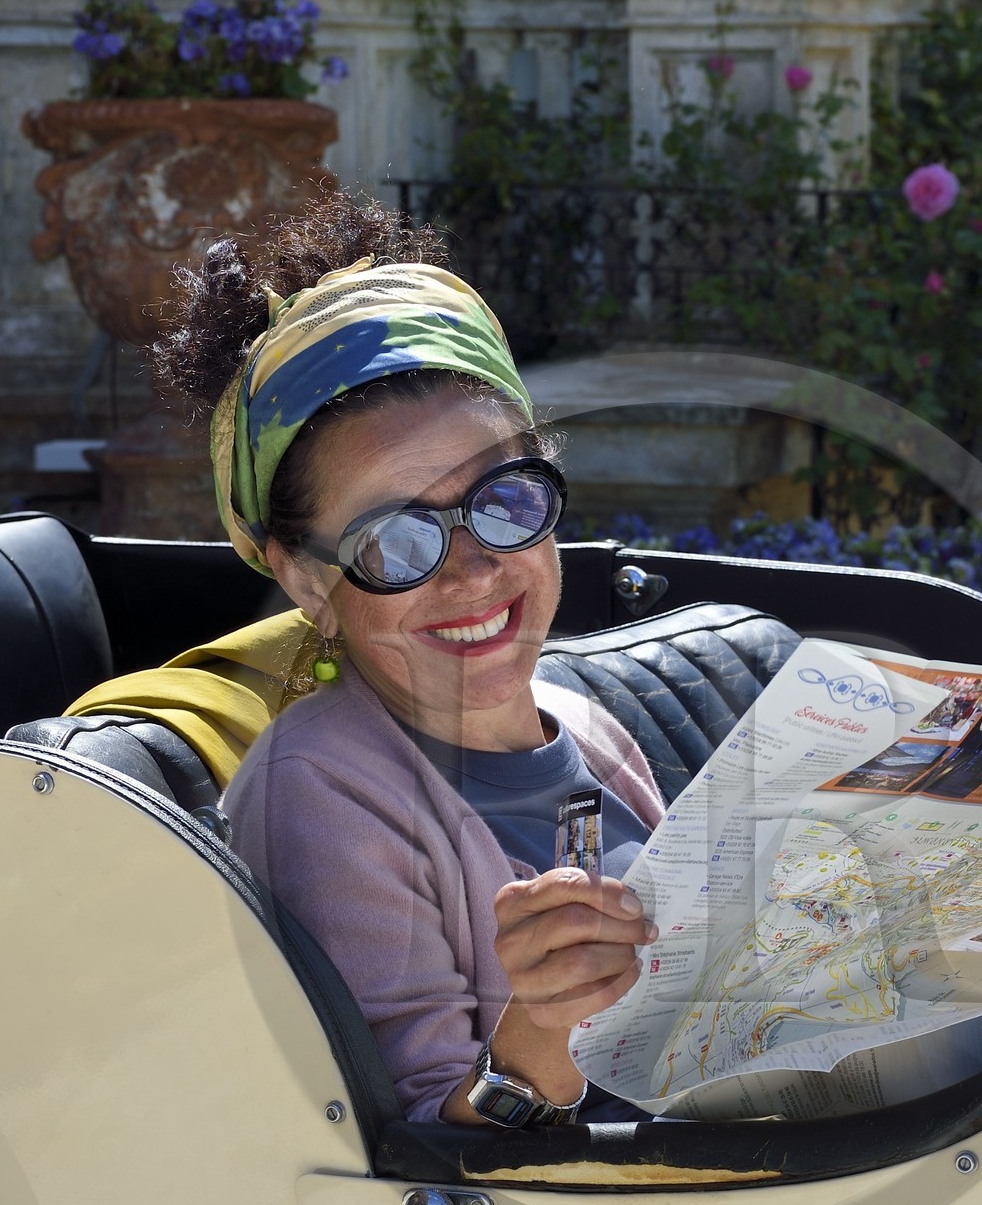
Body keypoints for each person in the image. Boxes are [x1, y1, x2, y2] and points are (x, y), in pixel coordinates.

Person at [153, 196, 660, 1130]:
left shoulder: (589, 726)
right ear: (304, 578)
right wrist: (539, 1038)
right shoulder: (319, 793)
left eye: (506, 499)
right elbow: (408, 1171)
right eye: (395, 538)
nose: (474, 569)